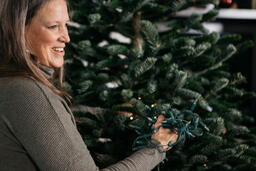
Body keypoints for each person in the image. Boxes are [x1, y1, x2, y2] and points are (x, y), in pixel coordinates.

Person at [0, 0, 178, 170]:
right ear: (19, 31)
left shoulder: (10, 85)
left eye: (66, 25)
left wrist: (110, 115)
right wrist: (157, 147)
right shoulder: (27, 92)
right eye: (53, 26)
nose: (66, 37)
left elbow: (48, 123)